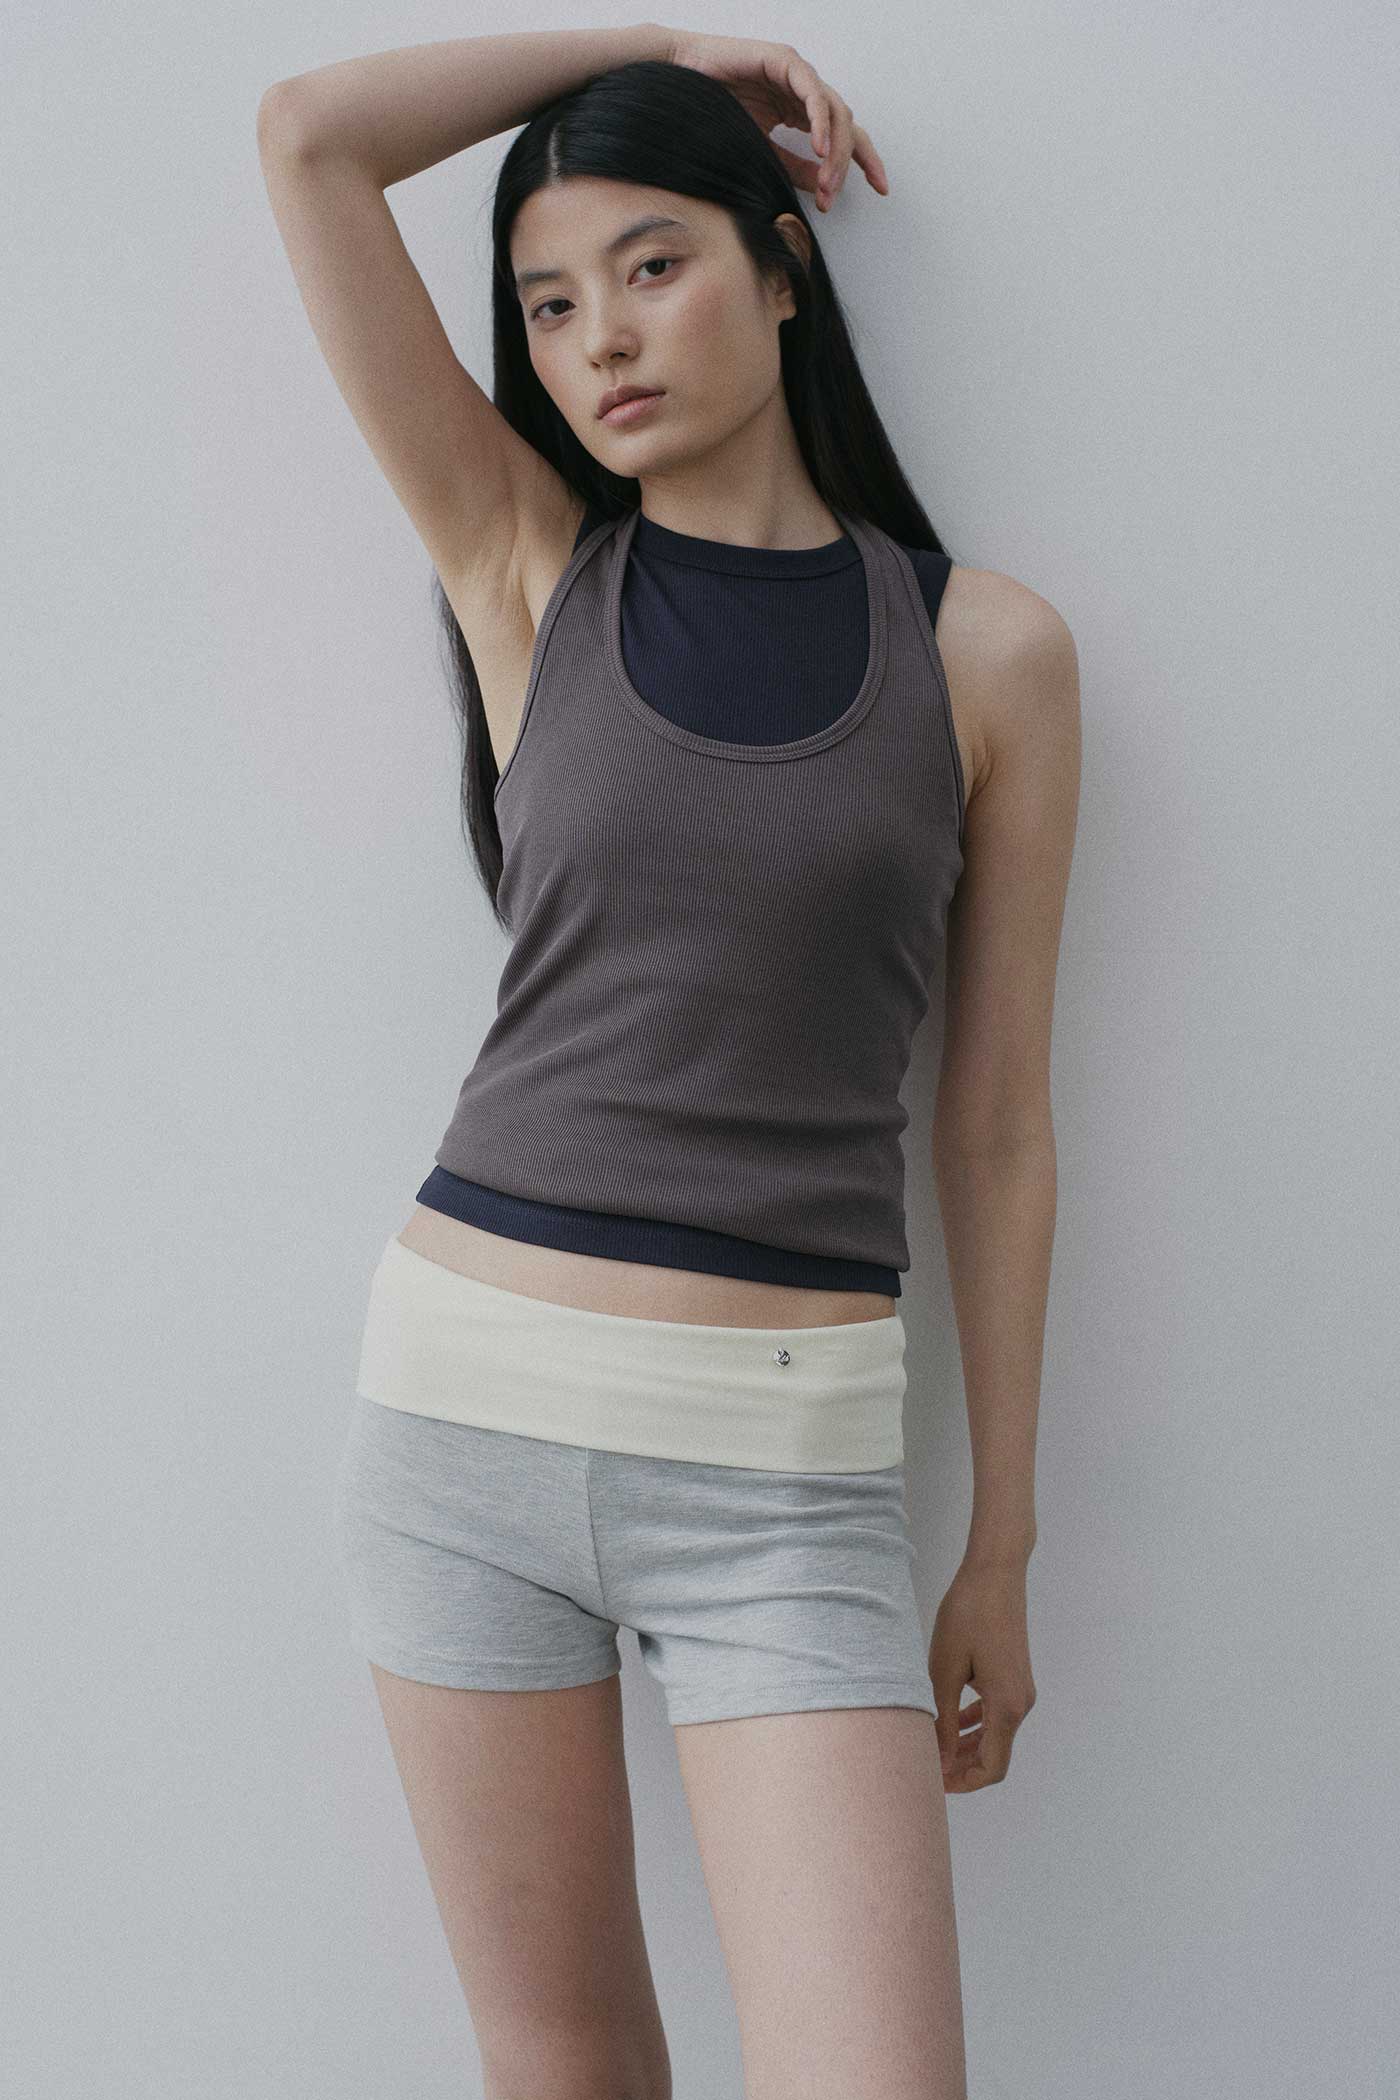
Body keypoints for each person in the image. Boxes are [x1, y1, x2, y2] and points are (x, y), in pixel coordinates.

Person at [258, 24, 1079, 2100]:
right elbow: (309, 140)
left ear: (781, 268)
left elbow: (992, 1126)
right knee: (565, 2070)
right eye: (547, 303)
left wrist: (999, 1543)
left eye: (652, 264)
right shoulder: (526, 563)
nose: (599, 338)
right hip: (460, 1435)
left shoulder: (985, 654)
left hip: (787, 1496)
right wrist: (650, 42)